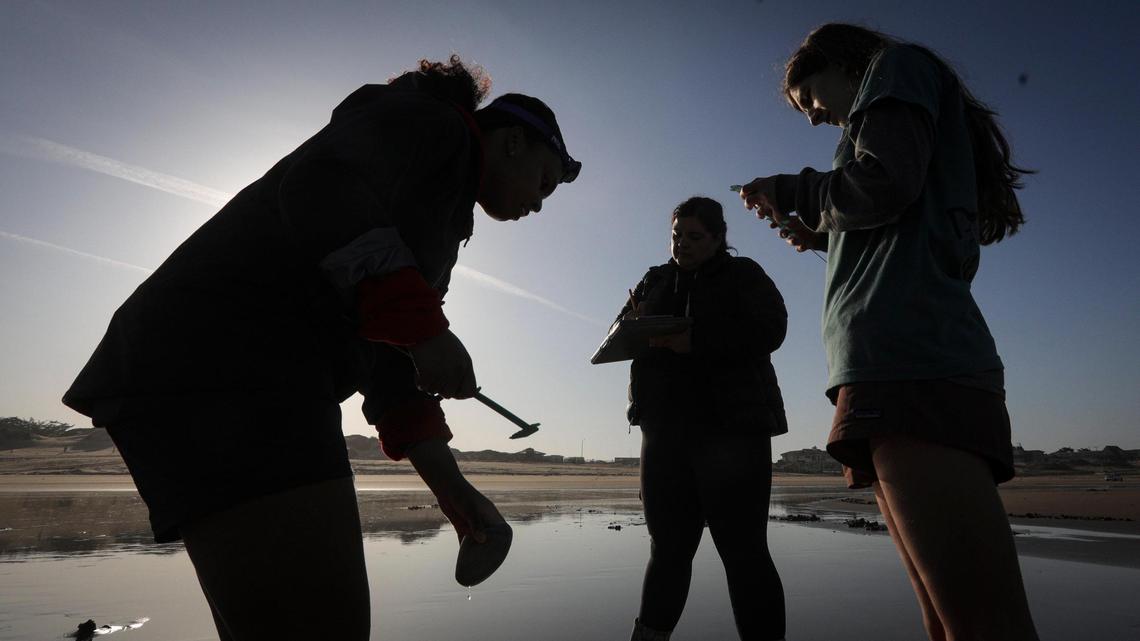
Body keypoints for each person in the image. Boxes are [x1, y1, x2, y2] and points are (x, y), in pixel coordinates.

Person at [62, 56, 579, 641]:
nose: (538, 205)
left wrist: (454, 490)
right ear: (513, 142)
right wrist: (426, 328)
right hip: (225, 361)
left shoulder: (441, 208)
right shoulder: (435, 127)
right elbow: (320, 184)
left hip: (229, 370)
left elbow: (388, 355)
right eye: (544, 182)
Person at [738, 23, 1038, 640]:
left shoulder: (897, 67)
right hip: (889, 369)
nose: (816, 119)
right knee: (946, 621)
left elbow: (884, 183)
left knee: (982, 625)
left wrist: (790, 187)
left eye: (811, 100)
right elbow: (892, 212)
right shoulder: (888, 105)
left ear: (840, 62)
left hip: (915, 367)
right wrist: (824, 236)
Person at [616, 197, 788, 641]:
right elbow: (620, 331)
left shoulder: (743, 274)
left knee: (744, 553)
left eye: (694, 237)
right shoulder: (656, 278)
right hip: (664, 433)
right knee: (668, 550)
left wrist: (696, 340)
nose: (683, 245)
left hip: (732, 432)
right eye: (677, 236)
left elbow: (773, 328)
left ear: (717, 238)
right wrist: (633, 325)